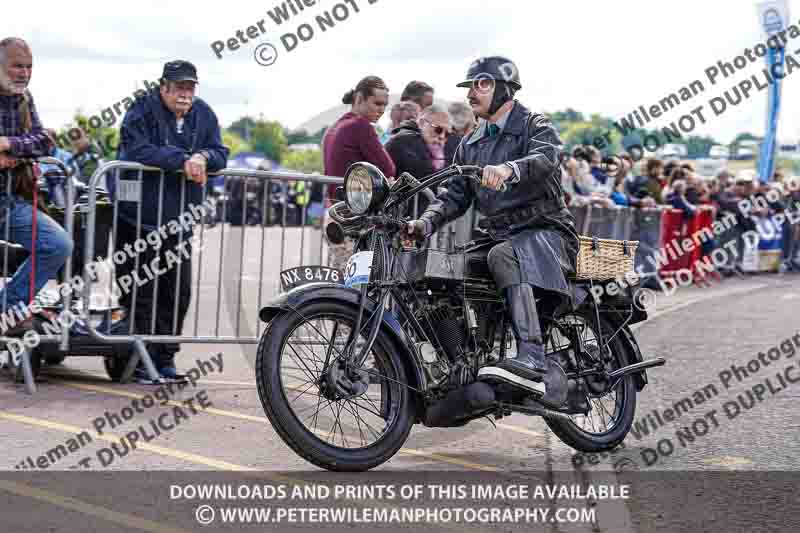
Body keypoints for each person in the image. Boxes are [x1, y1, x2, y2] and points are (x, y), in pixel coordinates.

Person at [405, 56, 578, 407]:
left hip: (545, 231)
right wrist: (424, 223)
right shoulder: (470, 144)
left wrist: (511, 168)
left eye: (481, 84)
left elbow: (547, 158)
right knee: (443, 271)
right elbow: (453, 195)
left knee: (504, 254)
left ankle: (531, 355)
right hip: (500, 234)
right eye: (470, 85)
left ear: (505, 88)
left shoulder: (534, 124)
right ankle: (466, 363)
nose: (472, 92)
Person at [115, 60, 229, 383]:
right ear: (163, 86)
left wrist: (204, 157)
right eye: (179, 87)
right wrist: (182, 160)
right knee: (140, 292)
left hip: (180, 220)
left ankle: (164, 360)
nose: (185, 93)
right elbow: (138, 149)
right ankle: (139, 361)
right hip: (138, 218)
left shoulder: (203, 113)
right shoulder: (140, 109)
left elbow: (221, 152)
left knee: (177, 292)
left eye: (190, 87)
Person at [0, 37, 73, 334]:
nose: (25, 72)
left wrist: (8, 145)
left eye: (29, 66)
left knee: (58, 244)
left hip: (8, 200)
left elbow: (44, 141)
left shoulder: (24, 99)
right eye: (18, 65)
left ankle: (9, 307)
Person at [322, 75, 395, 270]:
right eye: (377, 103)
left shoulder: (334, 126)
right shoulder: (360, 126)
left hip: (334, 212)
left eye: (385, 105)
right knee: (352, 285)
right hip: (352, 217)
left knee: (337, 274)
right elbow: (388, 168)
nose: (381, 109)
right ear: (359, 99)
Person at [385, 104, 451, 216]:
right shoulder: (405, 141)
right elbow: (428, 176)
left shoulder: (426, 145)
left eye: (447, 133)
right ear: (421, 123)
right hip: (401, 218)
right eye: (438, 129)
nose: (442, 136)